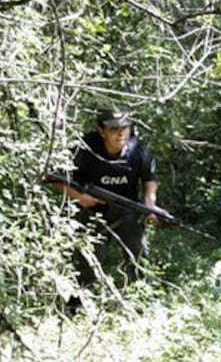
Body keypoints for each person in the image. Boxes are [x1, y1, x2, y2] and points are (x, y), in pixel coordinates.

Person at [54, 105, 158, 303]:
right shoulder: (84, 149)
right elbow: (56, 179)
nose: (121, 133)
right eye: (113, 129)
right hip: (92, 214)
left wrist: (149, 204)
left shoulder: (138, 150)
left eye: (125, 128)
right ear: (101, 130)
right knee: (88, 265)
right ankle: (76, 308)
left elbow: (149, 178)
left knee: (138, 258)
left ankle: (143, 305)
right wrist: (80, 197)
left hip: (128, 211)